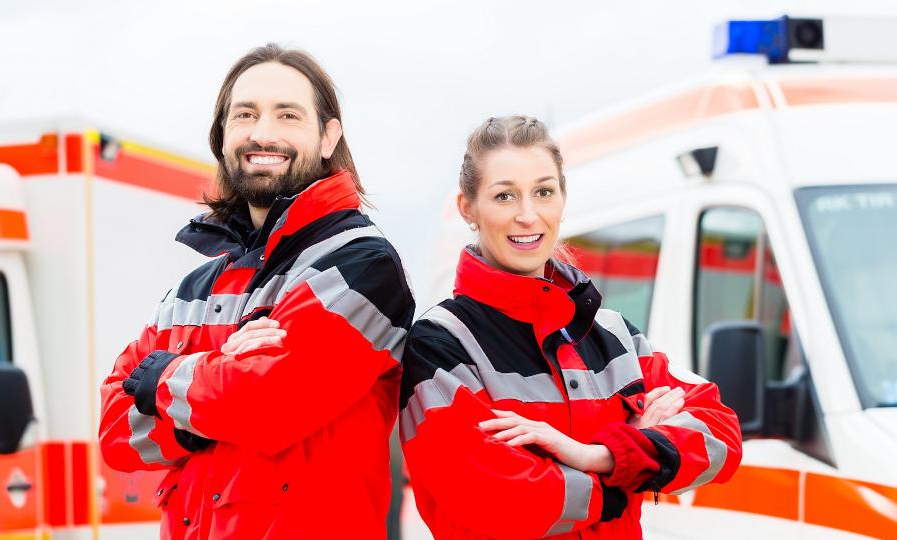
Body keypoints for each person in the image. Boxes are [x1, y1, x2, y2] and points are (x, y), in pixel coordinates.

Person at [99, 44, 415, 539]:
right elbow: (117, 434)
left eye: (288, 115)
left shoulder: (364, 267)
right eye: (245, 114)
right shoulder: (193, 287)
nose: (263, 133)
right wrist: (221, 372)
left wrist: (162, 376)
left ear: (329, 135)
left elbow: (270, 404)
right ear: (223, 135)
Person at [399, 115, 742, 539]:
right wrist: (630, 473)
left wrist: (599, 455)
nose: (528, 215)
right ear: (468, 208)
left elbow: (722, 433)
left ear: (562, 197)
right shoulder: (439, 346)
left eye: (543, 191)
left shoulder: (617, 336)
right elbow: (495, 499)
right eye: (505, 196)